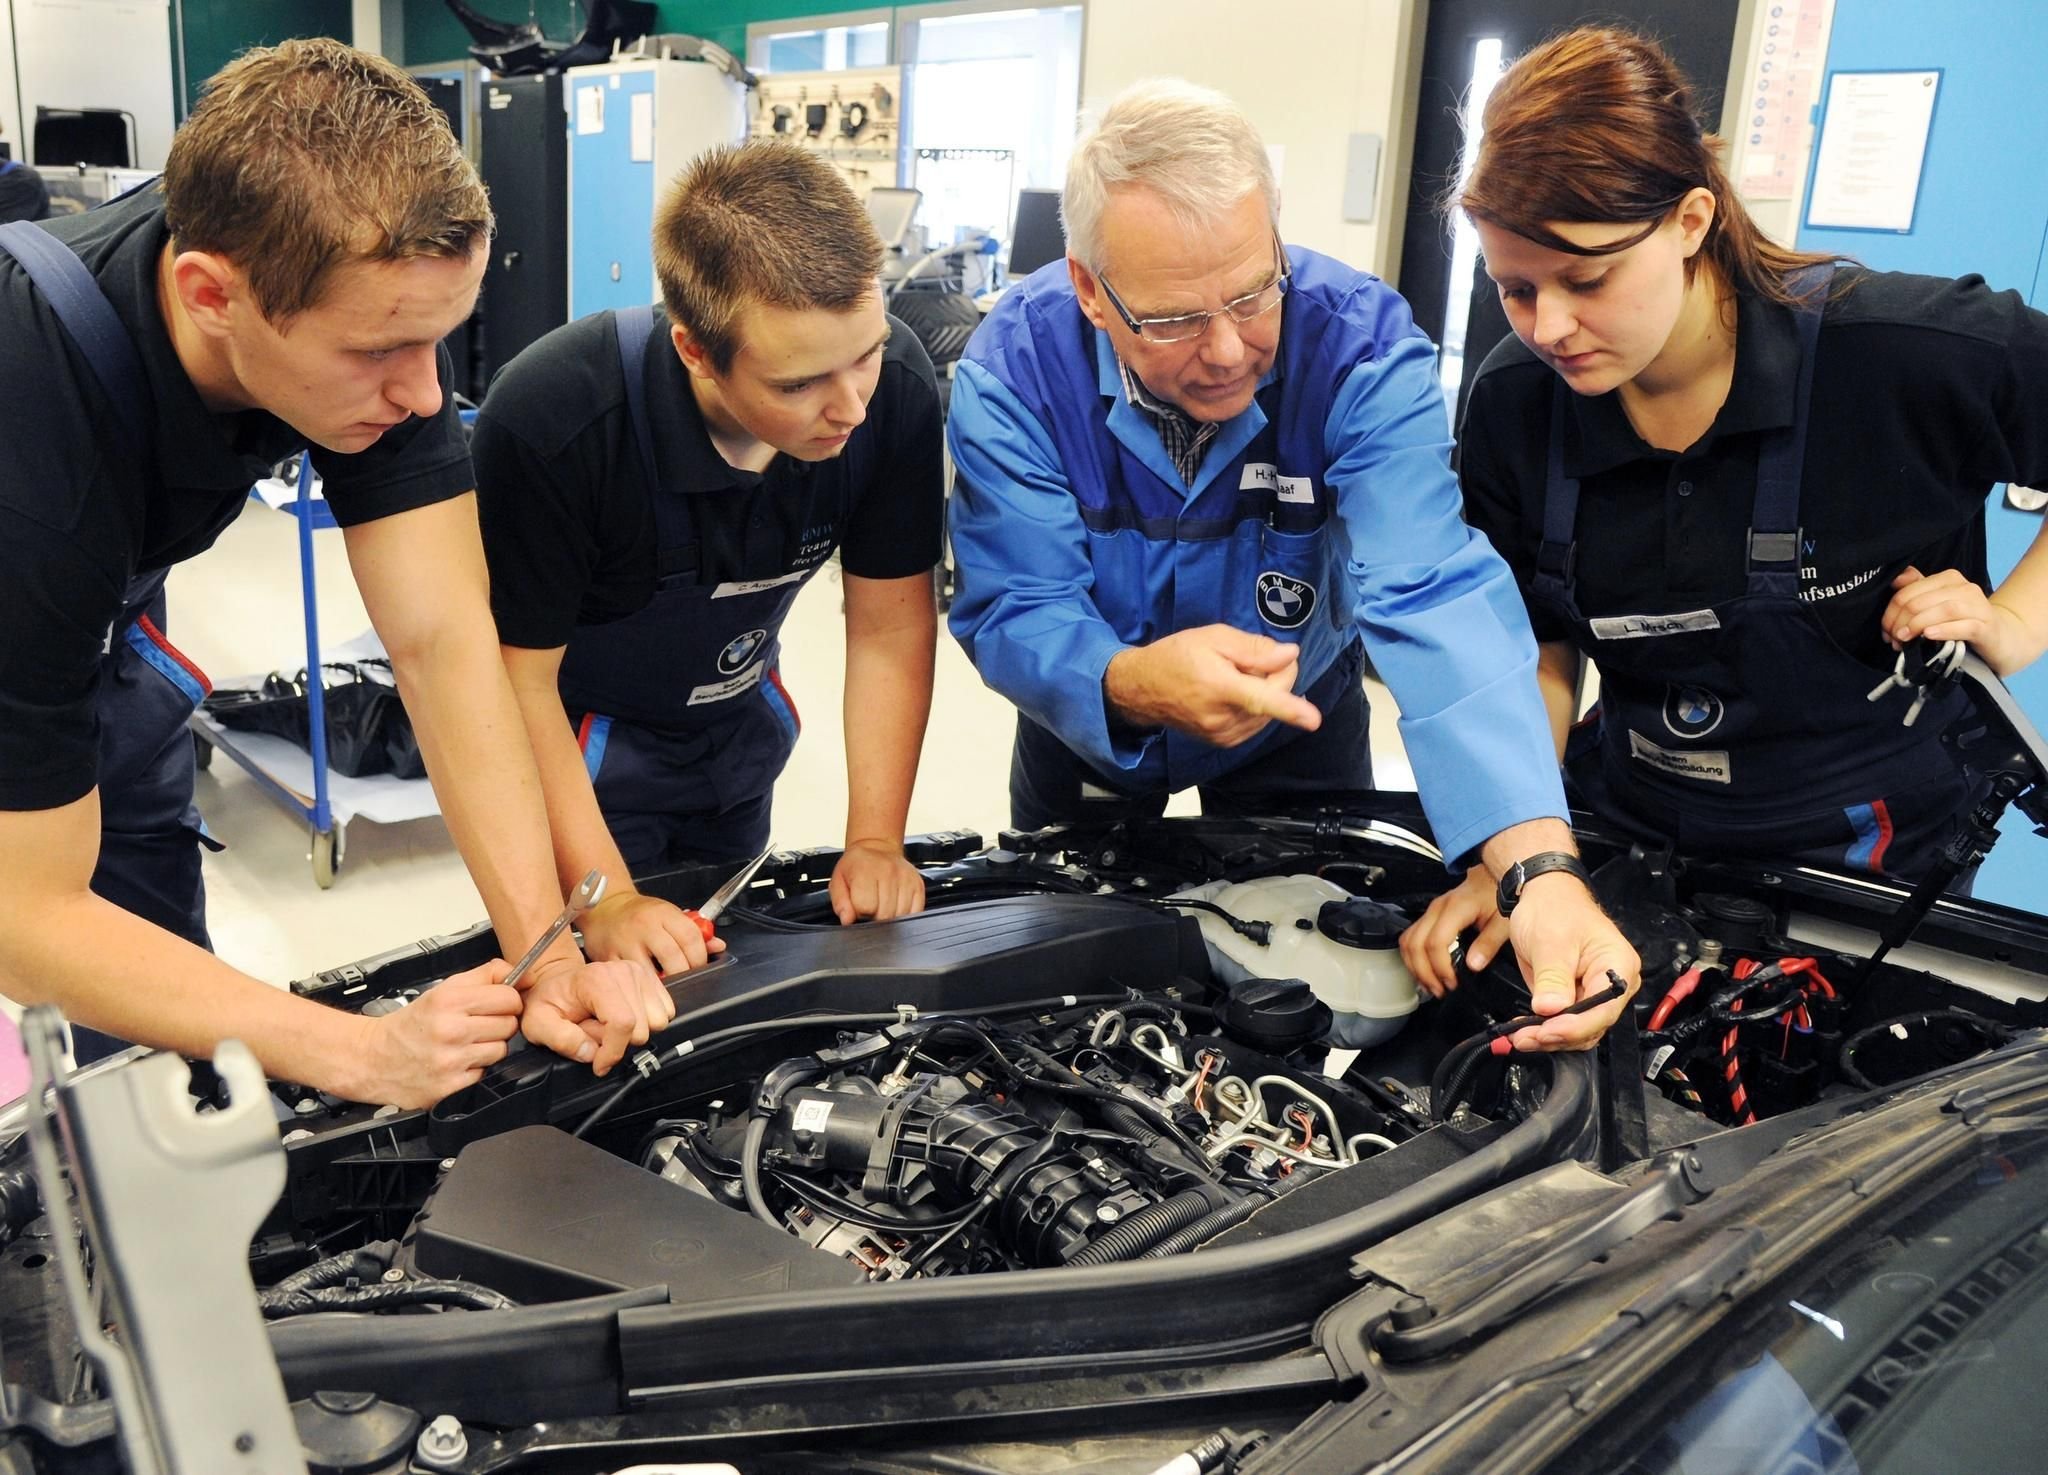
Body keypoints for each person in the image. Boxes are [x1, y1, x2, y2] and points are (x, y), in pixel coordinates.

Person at [0, 40, 669, 1107]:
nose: (418, 395)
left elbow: (443, 644)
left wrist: (547, 952)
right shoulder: (34, 452)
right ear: (210, 294)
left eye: (439, 341)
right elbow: (25, 921)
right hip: (30, 576)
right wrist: (358, 1051)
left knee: (165, 1053)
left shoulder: (369, 309)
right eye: (377, 355)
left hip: (99, 621)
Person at [946, 79, 1639, 1052]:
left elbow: (1431, 589)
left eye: (1249, 291)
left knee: (1312, 992)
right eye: (1175, 319)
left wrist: (1535, 864)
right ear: (1091, 291)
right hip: (1093, 729)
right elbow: (1012, 603)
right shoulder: (1013, 368)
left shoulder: (1358, 346)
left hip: (1297, 721)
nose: (1230, 350)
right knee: (1064, 995)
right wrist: (1124, 679)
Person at [1401, 26, 2048, 995]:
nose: (1548, 329)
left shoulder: (1906, 354)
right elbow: (1533, 655)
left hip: (1869, 870)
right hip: (1630, 835)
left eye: (1585, 279)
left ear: (1691, 219)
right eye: (1514, 289)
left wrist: (2011, 622)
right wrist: (1519, 868)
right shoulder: (1512, 402)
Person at [471, 141, 943, 974]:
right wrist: (606, 894)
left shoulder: (895, 384)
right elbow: (518, 686)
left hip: (738, 733)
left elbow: (888, 626)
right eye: (799, 385)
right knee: (605, 989)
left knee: (725, 973)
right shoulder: (554, 421)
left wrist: (875, 839)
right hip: (578, 754)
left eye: (864, 353)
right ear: (695, 350)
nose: (853, 407)